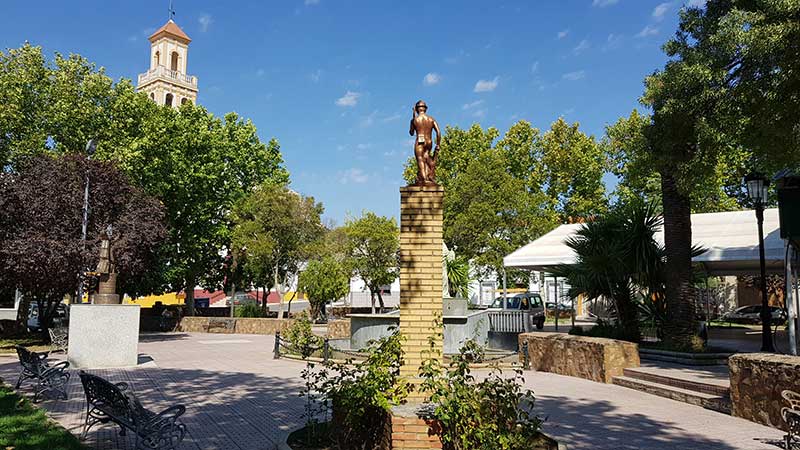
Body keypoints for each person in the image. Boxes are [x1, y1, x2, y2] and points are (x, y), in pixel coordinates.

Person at [409, 100, 441, 185]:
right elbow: (438, 132)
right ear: (425, 109)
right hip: (429, 142)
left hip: (419, 141)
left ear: (417, 109)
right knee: (426, 159)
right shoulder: (431, 119)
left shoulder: (415, 120)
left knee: (420, 159)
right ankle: (427, 177)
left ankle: (423, 179)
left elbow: (411, 133)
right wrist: (438, 144)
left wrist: (413, 118)